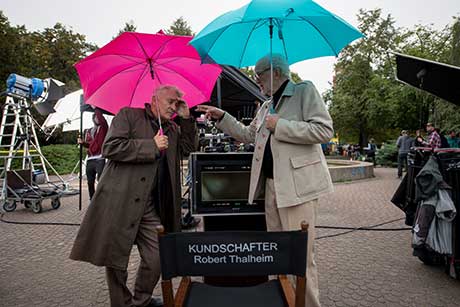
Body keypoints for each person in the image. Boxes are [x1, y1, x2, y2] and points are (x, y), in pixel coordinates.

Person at [196, 54, 334, 307]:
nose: (257, 81)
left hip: (297, 188)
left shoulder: (304, 91)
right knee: (277, 253)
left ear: (275, 72)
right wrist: (222, 116)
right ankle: (282, 301)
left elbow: (323, 131)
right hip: (272, 187)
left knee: (300, 256)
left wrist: (281, 125)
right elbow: (248, 135)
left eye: (259, 75)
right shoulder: (265, 105)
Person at [70, 85, 197, 307]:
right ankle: (121, 303)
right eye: (170, 102)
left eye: (177, 103)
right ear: (154, 100)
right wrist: (151, 145)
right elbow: (111, 147)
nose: (173, 107)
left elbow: (188, 148)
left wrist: (186, 118)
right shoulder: (127, 115)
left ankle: (142, 301)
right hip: (120, 201)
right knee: (116, 259)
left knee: (157, 257)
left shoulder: (172, 128)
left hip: (151, 206)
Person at [77, 108, 108, 200]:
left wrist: (96, 109)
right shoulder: (89, 131)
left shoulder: (103, 128)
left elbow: (102, 120)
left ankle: (102, 199)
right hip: (90, 159)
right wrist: (82, 143)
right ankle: (92, 199)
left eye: (98, 117)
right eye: (95, 118)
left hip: (100, 158)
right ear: (93, 119)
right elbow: (90, 145)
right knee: (90, 182)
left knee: (101, 180)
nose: (97, 119)